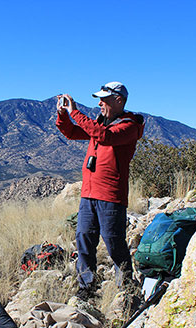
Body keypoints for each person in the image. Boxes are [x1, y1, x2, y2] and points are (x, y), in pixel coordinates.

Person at [56, 82, 144, 299]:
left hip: (111, 196)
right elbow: (71, 132)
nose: (100, 103)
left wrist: (75, 112)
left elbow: (106, 136)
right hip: (89, 193)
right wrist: (63, 115)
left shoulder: (128, 126)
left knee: (114, 243)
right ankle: (86, 287)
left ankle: (126, 288)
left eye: (104, 100)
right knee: (84, 239)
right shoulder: (101, 124)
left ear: (119, 101)